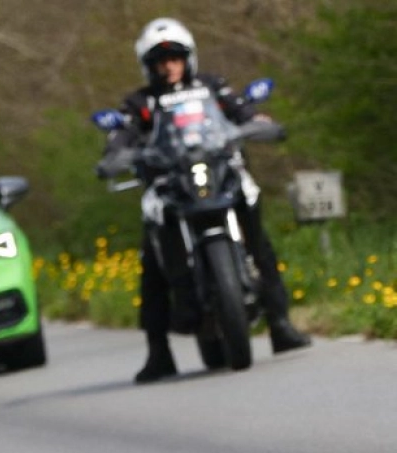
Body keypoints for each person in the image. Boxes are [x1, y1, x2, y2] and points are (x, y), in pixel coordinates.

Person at [101, 17, 311, 384]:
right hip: (170, 183)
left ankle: (280, 323)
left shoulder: (212, 86)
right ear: (148, 65)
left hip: (219, 171)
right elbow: (123, 133)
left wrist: (257, 121)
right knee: (152, 261)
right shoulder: (141, 102)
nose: (169, 66)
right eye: (160, 60)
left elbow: (240, 110)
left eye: (175, 57)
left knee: (258, 237)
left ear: (188, 57)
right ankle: (158, 351)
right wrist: (115, 154)